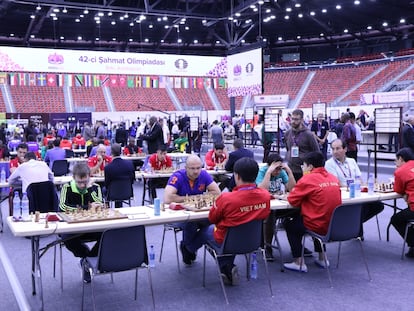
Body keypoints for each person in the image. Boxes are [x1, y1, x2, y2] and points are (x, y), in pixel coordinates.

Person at [191, 157, 271, 285]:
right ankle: (226, 268)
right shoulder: (265, 196)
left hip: (228, 242)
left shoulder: (227, 198)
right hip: (253, 242)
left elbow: (212, 218)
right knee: (231, 232)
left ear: (237, 176)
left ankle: (189, 250)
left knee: (206, 230)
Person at [283, 151, 341, 272]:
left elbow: (293, 201)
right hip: (332, 224)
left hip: (316, 224)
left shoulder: (307, 179)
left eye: (303, 165)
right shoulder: (333, 178)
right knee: (318, 217)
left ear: (310, 166)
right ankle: (322, 257)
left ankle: (298, 261)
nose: (303, 168)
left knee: (290, 224)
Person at [164, 154, 220, 265]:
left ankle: (188, 248)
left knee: (213, 222)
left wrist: (191, 199)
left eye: (198, 168)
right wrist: (192, 199)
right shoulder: (178, 176)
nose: (196, 171)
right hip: (179, 215)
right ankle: (190, 248)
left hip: (197, 212)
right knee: (192, 224)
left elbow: (217, 193)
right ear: (186, 168)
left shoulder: (203, 174)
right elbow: (167, 198)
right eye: (192, 168)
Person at [325, 138, 384, 232]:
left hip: (357, 194)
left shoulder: (352, 161)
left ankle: (355, 224)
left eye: (338, 148)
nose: (335, 152)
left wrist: (359, 186)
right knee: (359, 207)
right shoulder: (329, 164)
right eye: (333, 149)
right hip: (344, 197)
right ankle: (355, 227)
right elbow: (337, 184)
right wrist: (355, 186)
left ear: (345, 149)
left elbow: (360, 180)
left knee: (378, 205)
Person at [59, 163, 103, 283]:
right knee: (66, 238)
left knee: (109, 234)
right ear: (73, 178)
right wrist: (86, 207)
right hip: (73, 228)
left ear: (89, 176)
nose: (82, 185)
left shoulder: (95, 187)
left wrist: (89, 189)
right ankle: (86, 257)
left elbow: (99, 204)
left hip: (93, 227)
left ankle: (87, 261)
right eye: (79, 182)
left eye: (85, 181)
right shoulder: (66, 187)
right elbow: (62, 207)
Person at [256, 153, 296, 260]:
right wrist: (269, 172)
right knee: (270, 214)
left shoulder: (282, 172)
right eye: (276, 169)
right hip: (263, 206)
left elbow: (292, 189)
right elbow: (261, 191)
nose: (278, 172)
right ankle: (267, 246)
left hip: (279, 203)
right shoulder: (263, 171)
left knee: (297, 211)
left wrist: (289, 171)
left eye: (279, 169)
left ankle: (297, 246)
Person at [284, 109, 320, 182]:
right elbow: (288, 149)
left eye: (296, 119)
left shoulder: (308, 134)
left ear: (302, 120)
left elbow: (317, 153)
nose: (293, 121)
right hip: (291, 169)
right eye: (292, 119)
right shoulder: (287, 133)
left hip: (304, 171)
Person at [391, 148, 414, 257]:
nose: (396, 163)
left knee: (396, 219)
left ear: (401, 158)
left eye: (396, 160)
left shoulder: (400, 171)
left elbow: (398, 190)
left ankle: (413, 244)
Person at [104, 144, 135, 208]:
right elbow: (133, 179)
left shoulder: (108, 167)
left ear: (111, 152)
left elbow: (107, 183)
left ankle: (107, 208)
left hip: (113, 193)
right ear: (121, 152)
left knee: (104, 189)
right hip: (127, 192)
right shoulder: (129, 164)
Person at [8, 143, 28, 216]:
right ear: (17, 152)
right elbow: (14, 173)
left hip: (27, 187)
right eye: (20, 152)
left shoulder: (29, 162)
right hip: (16, 188)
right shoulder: (13, 161)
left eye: (24, 153)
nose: (22, 154)